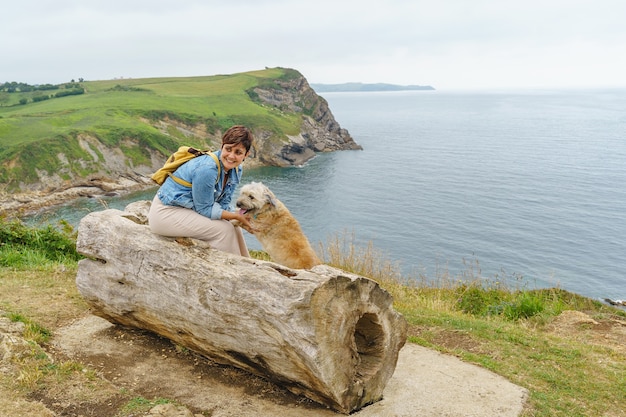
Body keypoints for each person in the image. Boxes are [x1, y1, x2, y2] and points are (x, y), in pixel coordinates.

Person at [148, 125, 254, 256]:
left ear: (246, 155)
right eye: (228, 149)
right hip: (165, 212)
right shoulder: (208, 169)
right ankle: (228, 271)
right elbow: (204, 209)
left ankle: (247, 265)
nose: (231, 156)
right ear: (222, 146)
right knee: (224, 230)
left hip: (186, 210)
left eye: (238, 152)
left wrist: (242, 219)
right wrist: (236, 215)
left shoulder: (236, 169)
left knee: (234, 225)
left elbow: (224, 203)